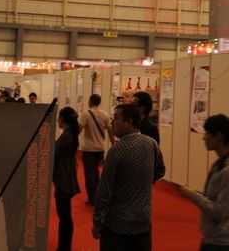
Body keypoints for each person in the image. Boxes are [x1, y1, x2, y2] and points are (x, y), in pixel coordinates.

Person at [93, 104, 165, 251]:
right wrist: (142, 182)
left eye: (116, 118)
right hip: (143, 222)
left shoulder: (117, 150)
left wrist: (97, 222)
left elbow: (104, 191)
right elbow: (160, 171)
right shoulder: (151, 143)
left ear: (130, 121)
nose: (112, 122)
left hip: (117, 225)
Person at [177, 114, 229, 251]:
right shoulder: (220, 164)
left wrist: (192, 195)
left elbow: (219, 212)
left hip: (226, 243)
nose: (204, 138)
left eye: (207, 133)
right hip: (215, 239)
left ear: (219, 136)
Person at [54, 107, 81, 251]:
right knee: (65, 216)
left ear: (63, 119)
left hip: (64, 179)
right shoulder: (70, 134)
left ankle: (64, 247)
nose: (57, 120)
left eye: (59, 117)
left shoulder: (67, 136)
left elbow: (55, 154)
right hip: (66, 177)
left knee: (64, 217)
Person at [79, 94, 111, 205]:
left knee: (89, 174)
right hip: (100, 148)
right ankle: (98, 195)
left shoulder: (85, 114)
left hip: (88, 149)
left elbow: (79, 129)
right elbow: (110, 130)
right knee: (96, 173)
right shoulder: (105, 115)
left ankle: (92, 197)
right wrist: (113, 143)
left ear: (90, 101)